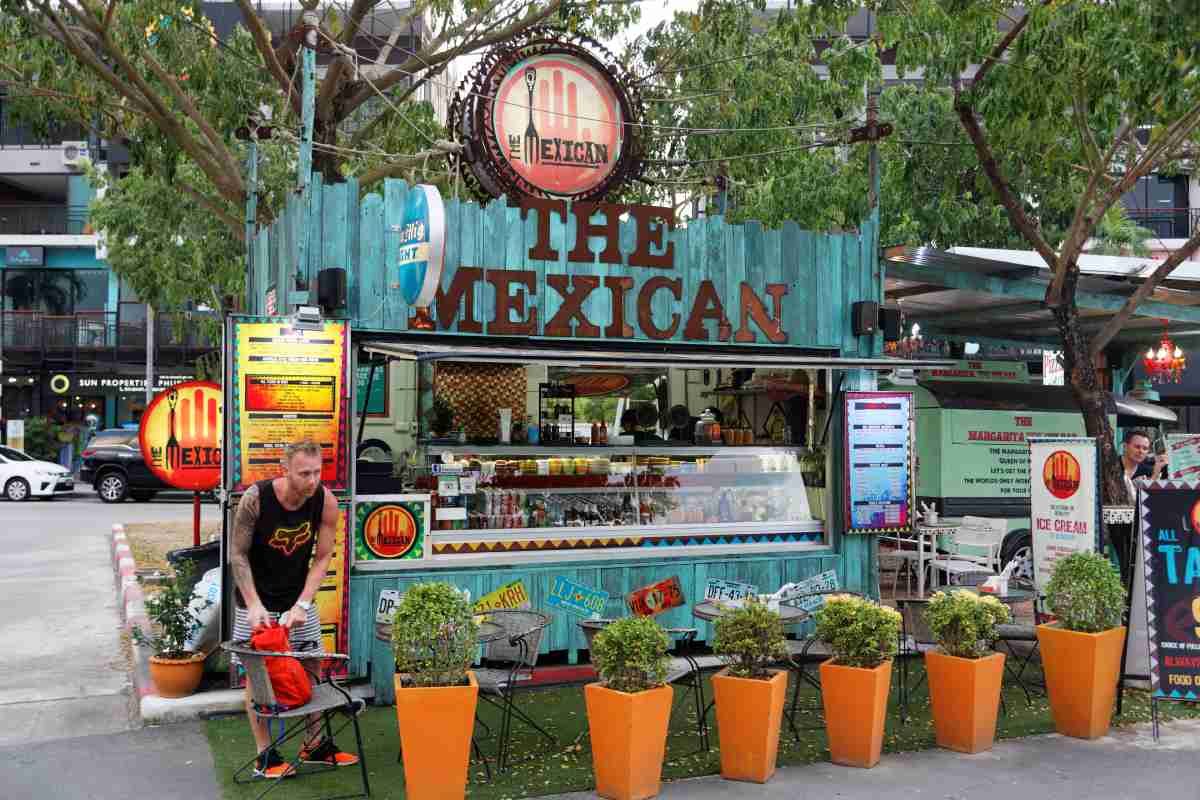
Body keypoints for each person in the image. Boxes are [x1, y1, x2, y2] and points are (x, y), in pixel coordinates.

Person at [230, 440, 358, 779]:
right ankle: (265, 756)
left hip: (297, 598)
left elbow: (323, 557)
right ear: (285, 469)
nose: (312, 480)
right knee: (257, 675)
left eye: (317, 472)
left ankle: (313, 744)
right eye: (305, 473)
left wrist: (303, 602)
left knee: (313, 663)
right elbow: (237, 555)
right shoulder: (256, 498)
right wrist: (254, 603)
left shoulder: (325, 501)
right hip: (254, 598)